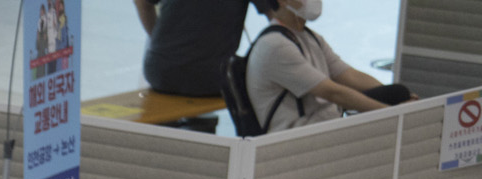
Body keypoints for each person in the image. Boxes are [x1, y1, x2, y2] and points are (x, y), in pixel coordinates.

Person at [247, 0, 414, 133]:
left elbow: (349, 76)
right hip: (298, 137)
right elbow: (332, 92)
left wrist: (397, 98)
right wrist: (391, 112)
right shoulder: (275, 45)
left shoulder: (310, 38)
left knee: (398, 93)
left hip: (324, 125)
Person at [134, 0, 249, 99]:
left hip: (161, 72)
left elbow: (141, 2)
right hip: (215, 76)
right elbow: (268, 16)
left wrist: (155, 37)